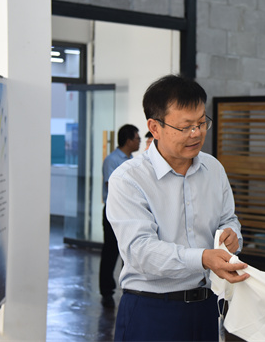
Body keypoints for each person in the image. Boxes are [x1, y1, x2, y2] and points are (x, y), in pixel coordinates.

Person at [106, 74, 249, 341]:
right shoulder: (129, 179)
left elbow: (228, 219)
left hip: (206, 306)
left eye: (201, 123)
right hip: (152, 310)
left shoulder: (213, 169)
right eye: (185, 127)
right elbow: (140, 251)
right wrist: (203, 258)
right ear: (155, 127)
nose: (196, 133)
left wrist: (231, 234)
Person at [100, 124, 141, 308]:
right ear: (129, 140)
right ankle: (106, 290)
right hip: (113, 211)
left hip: (129, 212)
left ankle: (128, 285)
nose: (139, 141)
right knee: (110, 251)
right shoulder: (112, 160)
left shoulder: (132, 160)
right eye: (137, 138)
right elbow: (112, 186)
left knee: (129, 249)